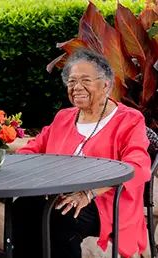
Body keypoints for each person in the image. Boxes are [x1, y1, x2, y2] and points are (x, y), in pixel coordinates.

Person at [12, 49, 151, 258]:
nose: (77, 87)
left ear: (105, 84)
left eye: (85, 80)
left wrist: (89, 193)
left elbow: (138, 167)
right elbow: (31, 149)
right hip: (58, 195)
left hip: (105, 201)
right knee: (22, 207)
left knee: (59, 218)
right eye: (71, 81)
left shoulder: (129, 120)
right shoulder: (63, 117)